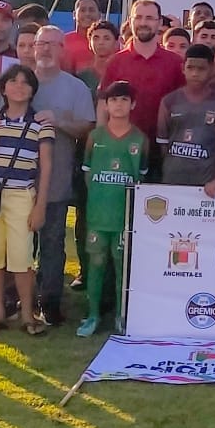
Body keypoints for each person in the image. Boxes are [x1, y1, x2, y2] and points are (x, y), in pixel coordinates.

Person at [0, 64, 52, 336]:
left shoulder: (40, 124)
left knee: (21, 258)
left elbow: (46, 166)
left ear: (32, 90)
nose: (19, 86)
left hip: (21, 195)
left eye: (25, 82)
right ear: (3, 88)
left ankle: (28, 314)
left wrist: (40, 205)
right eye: (13, 81)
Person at [29, 25, 95, 326]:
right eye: (41, 44)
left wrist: (59, 121)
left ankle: (50, 301)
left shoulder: (75, 88)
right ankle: (12, 298)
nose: (45, 49)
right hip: (16, 178)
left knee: (52, 242)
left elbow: (87, 128)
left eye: (52, 44)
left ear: (62, 49)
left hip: (55, 178)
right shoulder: (20, 81)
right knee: (15, 243)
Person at [78, 82, 148, 337]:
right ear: (106, 105)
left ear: (133, 104)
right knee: (95, 264)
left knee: (122, 267)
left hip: (124, 218)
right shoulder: (95, 138)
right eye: (113, 100)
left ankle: (122, 315)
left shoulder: (140, 139)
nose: (118, 105)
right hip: (98, 216)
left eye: (123, 100)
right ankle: (93, 315)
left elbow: (141, 178)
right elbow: (87, 175)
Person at [97, 0, 185, 150]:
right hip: (123, 146)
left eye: (149, 18)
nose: (143, 23)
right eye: (138, 17)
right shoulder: (116, 61)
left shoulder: (175, 62)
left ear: (159, 23)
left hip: (164, 147)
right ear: (130, 21)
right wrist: (101, 141)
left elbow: (184, 104)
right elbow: (103, 105)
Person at [156, 44, 215, 186]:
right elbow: (163, 145)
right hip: (172, 180)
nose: (195, 73)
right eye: (190, 68)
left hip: (206, 184)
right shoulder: (169, 101)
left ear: (212, 69)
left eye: (201, 68)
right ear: (183, 68)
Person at [78, 20, 120, 99]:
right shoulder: (81, 78)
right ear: (89, 44)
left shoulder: (123, 74)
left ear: (116, 43)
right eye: (96, 38)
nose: (101, 42)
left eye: (106, 38)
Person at [62, 0, 102, 74]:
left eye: (92, 10)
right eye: (83, 10)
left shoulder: (109, 42)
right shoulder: (63, 41)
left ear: (100, 15)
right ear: (74, 14)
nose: (87, 14)